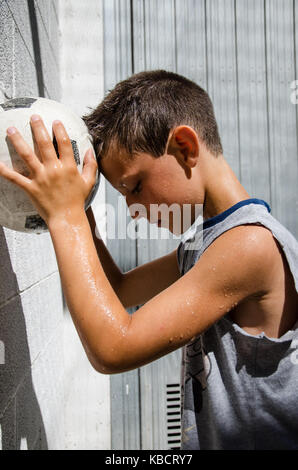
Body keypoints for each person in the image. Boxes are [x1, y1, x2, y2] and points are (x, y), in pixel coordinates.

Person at [0, 70, 297, 450]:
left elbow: (113, 348)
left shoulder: (249, 245)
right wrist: (80, 213)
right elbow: (120, 290)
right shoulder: (206, 244)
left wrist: (64, 217)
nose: (133, 210)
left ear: (186, 148)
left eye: (135, 187)